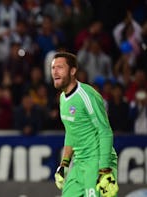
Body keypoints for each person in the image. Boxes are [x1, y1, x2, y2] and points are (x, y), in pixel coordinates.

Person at [51, 52, 118, 197]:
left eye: (60, 67)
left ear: (73, 71)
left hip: (97, 162)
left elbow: (105, 131)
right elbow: (71, 132)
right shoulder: (63, 98)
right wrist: (65, 164)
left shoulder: (87, 96)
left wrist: (105, 170)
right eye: (53, 67)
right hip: (79, 163)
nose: (55, 71)